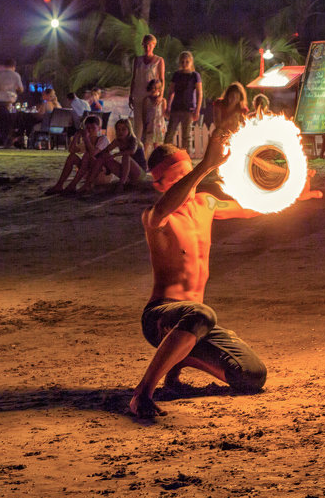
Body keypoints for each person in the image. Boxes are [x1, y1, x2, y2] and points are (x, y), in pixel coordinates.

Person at [129, 138, 268, 419]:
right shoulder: (156, 218)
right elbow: (163, 209)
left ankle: (179, 364)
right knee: (201, 313)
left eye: (189, 172)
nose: (190, 182)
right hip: (160, 318)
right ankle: (142, 393)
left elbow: (252, 207)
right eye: (178, 177)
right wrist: (205, 166)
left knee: (252, 375)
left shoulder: (207, 203)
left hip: (198, 323)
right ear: (159, 186)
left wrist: (286, 193)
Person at [45, 115, 110, 195]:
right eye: (88, 128)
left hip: (101, 174)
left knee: (87, 156)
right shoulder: (86, 141)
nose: (90, 130)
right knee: (72, 157)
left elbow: (93, 153)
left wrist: (86, 138)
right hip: (88, 172)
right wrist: (76, 136)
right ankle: (59, 185)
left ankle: (73, 185)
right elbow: (71, 151)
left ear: (99, 129)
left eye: (93, 128)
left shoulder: (103, 139)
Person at [87, 117, 147, 192]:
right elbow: (105, 151)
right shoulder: (117, 141)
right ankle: (88, 183)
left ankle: (121, 184)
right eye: (118, 129)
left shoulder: (133, 140)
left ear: (129, 130)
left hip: (139, 174)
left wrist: (115, 155)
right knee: (104, 158)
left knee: (126, 157)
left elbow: (131, 151)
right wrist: (100, 159)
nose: (120, 132)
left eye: (123, 129)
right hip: (127, 173)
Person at [165, 51, 203, 153]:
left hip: (188, 109)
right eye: (182, 61)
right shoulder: (176, 75)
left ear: (191, 62)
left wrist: (197, 110)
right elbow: (171, 91)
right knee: (169, 134)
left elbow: (199, 93)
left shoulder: (195, 75)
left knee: (186, 136)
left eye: (187, 61)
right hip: (176, 108)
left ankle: (186, 158)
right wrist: (168, 107)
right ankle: (166, 156)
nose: (184, 63)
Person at [129, 34, 165, 142]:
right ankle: (138, 150)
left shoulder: (159, 60)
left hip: (152, 95)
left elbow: (162, 79)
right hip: (138, 94)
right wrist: (130, 95)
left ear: (154, 45)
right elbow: (133, 78)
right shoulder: (138, 60)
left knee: (151, 124)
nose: (147, 47)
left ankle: (150, 151)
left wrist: (161, 95)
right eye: (145, 45)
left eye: (150, 45)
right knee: (138, 124)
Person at [141, 79, 168, 154]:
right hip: (149, 124)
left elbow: (164, 114)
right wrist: (144, 125)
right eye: (152, 88)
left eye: (155, 88)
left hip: (159, 125)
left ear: (159, 89)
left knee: (157, 145)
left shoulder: (163, 101)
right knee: (146, 144)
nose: (153, 90)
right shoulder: (146, 100)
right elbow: (144, 114)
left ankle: (156, 162)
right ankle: (143, 161)